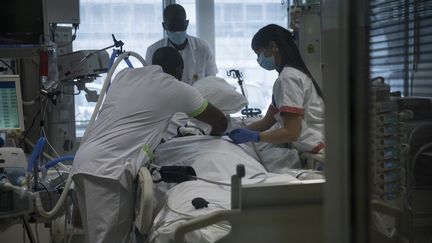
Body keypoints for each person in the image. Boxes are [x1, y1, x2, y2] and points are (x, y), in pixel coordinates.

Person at [71, 46, 227, 243]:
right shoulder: (176, 88)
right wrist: (210, 137)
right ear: (179, 71)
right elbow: (221, 122)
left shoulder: (124, 76)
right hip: (109, 170)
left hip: (83, 162)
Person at [228, 24, 325, 154]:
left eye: (259, 53)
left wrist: (255, 137)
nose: (259, 60)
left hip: (319, 147)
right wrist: (232, 133)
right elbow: (266, 122)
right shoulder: (288, 75)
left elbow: (291, 133)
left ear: (273, 47)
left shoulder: (288, 77)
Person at [145, 4, 218, 85]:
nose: (177, 32)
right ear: (164, 26)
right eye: (173, 28)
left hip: (199, 96)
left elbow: (212, 81)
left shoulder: (203, 47)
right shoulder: (153, 51)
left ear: (187, 23)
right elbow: (150, 83)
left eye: (180, 26)